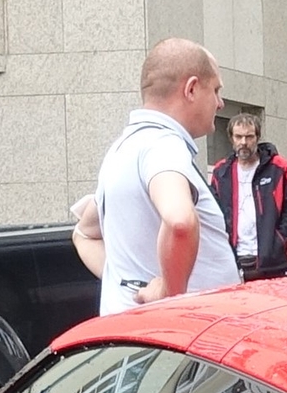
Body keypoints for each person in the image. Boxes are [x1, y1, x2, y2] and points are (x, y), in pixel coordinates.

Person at [79, 38, 241, 314]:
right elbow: (180, 220)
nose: (220, 103)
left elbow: (84, 233)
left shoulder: (121, 150)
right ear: (191, 89)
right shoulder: (163, 146)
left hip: (142, 340)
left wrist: (126, 286)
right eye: (215, 90)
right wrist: (170, 291)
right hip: (185, 340)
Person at [207, 114, 287, 281]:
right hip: (233, 262)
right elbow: (213, 213)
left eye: (249, 136)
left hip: (274, 264)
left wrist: (278, 241)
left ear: (257, 137)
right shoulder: (221, 172)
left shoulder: (278, 167)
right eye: (238, 137)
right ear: (231, 138)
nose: (243, 142)